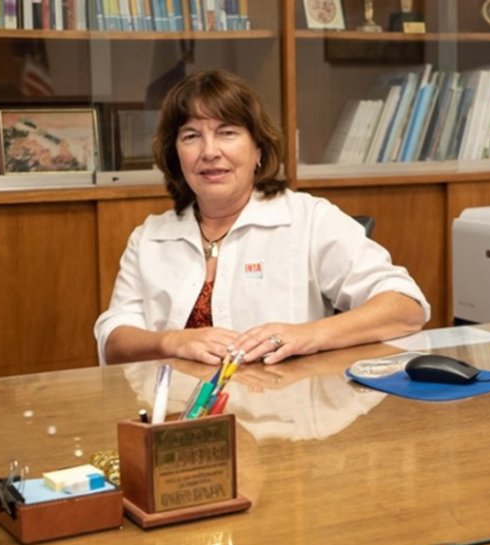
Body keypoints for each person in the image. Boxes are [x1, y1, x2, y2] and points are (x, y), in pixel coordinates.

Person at [94, 69, 429, 367]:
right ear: (175, 154)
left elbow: (406, 306)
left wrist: (309, 335)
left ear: (258, 149)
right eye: (191, 136)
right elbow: (113, 341)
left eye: (227, 132)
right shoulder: (150, 237)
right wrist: (171, 341)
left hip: (282, 416)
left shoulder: (308, 219)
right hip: (175, 415)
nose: (210, 151)